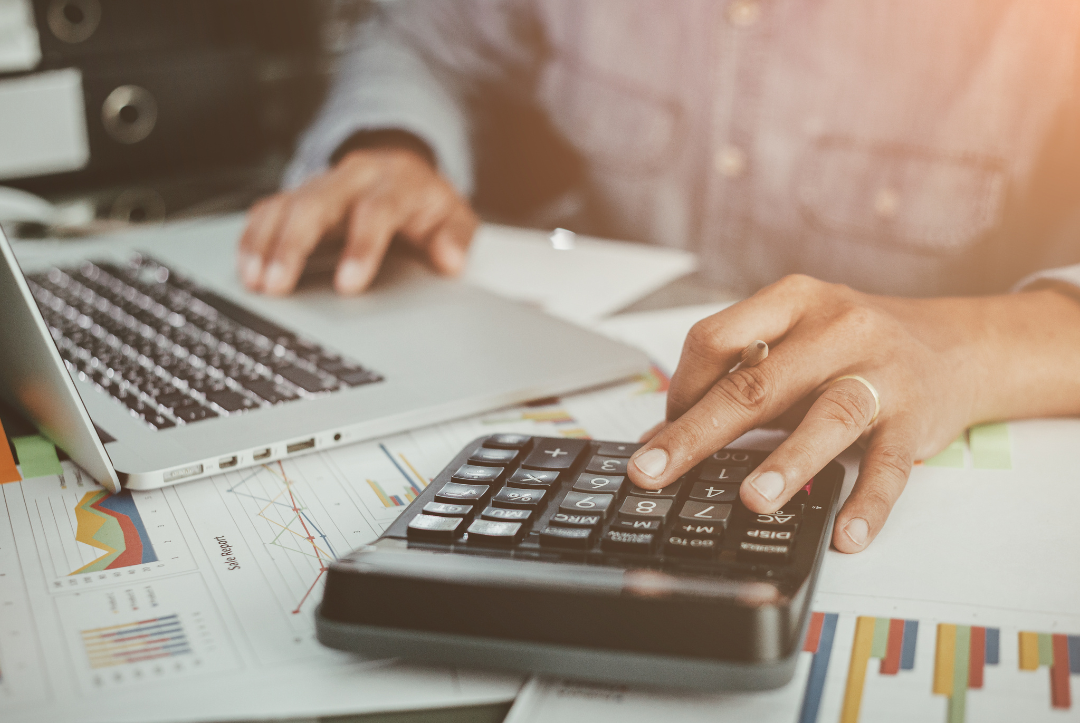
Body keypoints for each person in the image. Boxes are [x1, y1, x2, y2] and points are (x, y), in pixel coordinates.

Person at [235, 0, 1080, 553]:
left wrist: (964, 346)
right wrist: (395, 147)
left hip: (942, 491)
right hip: (594, 403)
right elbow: (426, 42)